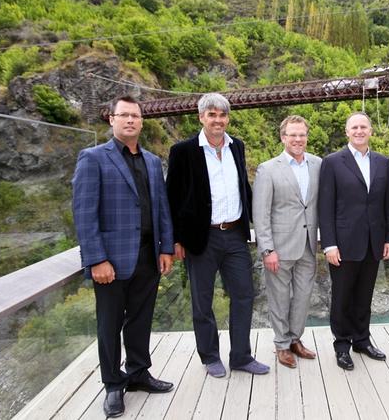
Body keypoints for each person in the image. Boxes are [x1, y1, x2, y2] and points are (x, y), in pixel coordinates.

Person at [72, 95, 174, 418]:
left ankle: (139, 372)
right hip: (111, 261)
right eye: (124, 115)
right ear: (112, 120)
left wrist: (166, 247)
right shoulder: (93, 158)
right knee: (109, 323)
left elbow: (162, 209)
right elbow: (84, 214)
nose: (130, 120)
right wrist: (96, 259)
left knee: (141, 319)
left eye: (135, 115)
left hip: (147, 256)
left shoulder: (153, 161)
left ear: (142, 122)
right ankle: (114, 385)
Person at [166, 92, 269, 377]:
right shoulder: (183, 151)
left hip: (235, 233)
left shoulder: (237, 146)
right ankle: (210, 356)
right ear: (201, 117)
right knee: (202, 300)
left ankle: (241, 357)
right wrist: (174, 239)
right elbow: (171, 198)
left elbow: (243, 187)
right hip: (201, 238)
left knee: (244, 296)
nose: (218, 120)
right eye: (212, 115)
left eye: (222, 115)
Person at [318, 112, 389, 371]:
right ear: (347, 132)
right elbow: (325, 206)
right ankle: (341, 345)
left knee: (364, 296)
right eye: (354, 127)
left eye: (364, 127)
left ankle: (362, 340)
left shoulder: (382, 162)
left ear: (370, 131)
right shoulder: (332, 162)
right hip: (342, 244)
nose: (359, 131)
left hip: (373, 242)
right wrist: (329, 244)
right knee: (342, 297)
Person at [252, 115, 321, 369]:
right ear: (283, 137)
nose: (298, 139)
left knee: (303, 298)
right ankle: (281, 345)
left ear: (307, 136)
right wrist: (267, 248)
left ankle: (295, 340)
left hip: (308, 245)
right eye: (292, 135)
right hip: (279, 248)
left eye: (302, 134)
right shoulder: (268, 168)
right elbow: (261, 213)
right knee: (279, 298)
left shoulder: (318, 164)